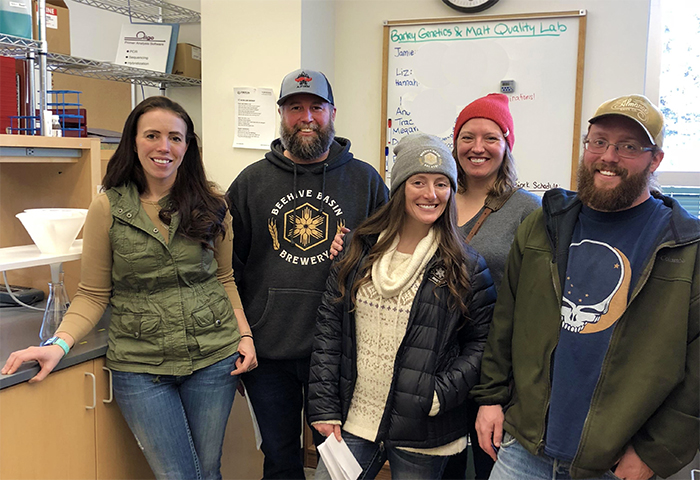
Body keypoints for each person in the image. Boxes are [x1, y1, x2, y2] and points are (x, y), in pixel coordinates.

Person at [2, 96, 256, 480]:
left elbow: (224, 279)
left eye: (175, 137)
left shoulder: (213, 204)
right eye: (152, 135)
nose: (163, 147)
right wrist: (59, 344)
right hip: (140, 365)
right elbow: (92, 293)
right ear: (134, 142)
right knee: (180, 476)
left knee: (207, 469)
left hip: (213, 358)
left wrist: (245, 335)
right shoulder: (106, 208)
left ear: (187, 147)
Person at [472, 94, 700, 480]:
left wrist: (655, 452)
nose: (608, 156)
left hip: (612, 462)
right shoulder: (544, 225)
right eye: (599, 142)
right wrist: (491, 398)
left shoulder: (684, 246)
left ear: (655, 159)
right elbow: (505, 321)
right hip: (523, 448)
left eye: (628, 146)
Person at [330, 93, 541, 479]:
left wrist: (442, 391)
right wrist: (347, 245)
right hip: (407, 379)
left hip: (486, 372)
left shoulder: (528, 212)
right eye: (467, 136)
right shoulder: (433, 199)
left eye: (491, 137)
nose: (478, 147)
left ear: (507, 144)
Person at [226, 68, 389, 479]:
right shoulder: (250, 182)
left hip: (337, 352)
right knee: (279, 459)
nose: (306, 117)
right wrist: (240, 337)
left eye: (316, 106)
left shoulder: (365, 181)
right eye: (295, 108)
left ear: (333, 112)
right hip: (269, 353)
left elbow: (388, 261)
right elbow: (228, 270)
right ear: (281, 115)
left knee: (337, 464)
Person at [308, 132, 497, 479]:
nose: (431, 194)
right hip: (354, 419)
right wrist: (323, 405)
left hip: (424, 430)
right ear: (399, 189)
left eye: (442, 183)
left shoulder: (466, 265)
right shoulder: (357, 247)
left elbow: (482, 343)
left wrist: (437, 395)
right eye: (419, 182)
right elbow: (328, 329)